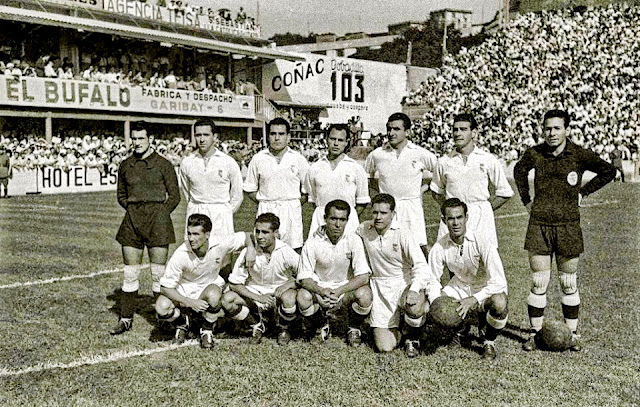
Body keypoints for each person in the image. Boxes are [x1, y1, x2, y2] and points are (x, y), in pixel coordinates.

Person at [514, 109, 616, 352]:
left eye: (556, 128)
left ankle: (572, 334)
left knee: (568, 282)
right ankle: (534, 333)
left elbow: (608, 171)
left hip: (568, 225)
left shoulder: (578, 154)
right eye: (547, 128)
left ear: (566, 130)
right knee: (539, 282)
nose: (551, 133)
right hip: (539, 224)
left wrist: (583, 192)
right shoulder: (535, 153)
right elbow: (519, 171)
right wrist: (527, 201)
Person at [111, 121, 181, 335]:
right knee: (130, 273)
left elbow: (175, 196)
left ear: (151, 140)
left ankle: (162, 319)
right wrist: (135, 210)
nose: (137, 143)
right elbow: (121, 195)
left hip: (157, 221)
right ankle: (125, 319)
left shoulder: (163, 164)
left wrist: (159, 213)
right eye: (134, 138)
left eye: (141, 138)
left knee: (158, 274)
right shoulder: (125, 164)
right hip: (132, 221)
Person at [357, 193, 439, 357]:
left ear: (393, 214)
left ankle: (413, 336)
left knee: (413, 307)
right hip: (380, 287)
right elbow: (347, 235)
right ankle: (402, 328)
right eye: (375, 212)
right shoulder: (365, 229)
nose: (378, 217)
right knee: (385, 347)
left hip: (403, 283)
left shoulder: (403, 233)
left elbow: (422, 266)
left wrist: (414, 289)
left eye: (383, 213)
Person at [155, 214, 254, 349]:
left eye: (196, 234)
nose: (191, 238)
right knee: (161, 306)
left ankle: (206, 329)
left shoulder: (220, 243)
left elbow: (247, 235)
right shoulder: (181, 254)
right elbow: (165, 288)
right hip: (185, 289)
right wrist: (189, 301)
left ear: (207, 234)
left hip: (208, 287)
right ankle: (183, 322)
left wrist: (251, 250)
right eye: (189, 233)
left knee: (214, 295)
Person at [428, 198, 509, 360]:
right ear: (444, 221)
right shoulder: (439, 246)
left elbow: (499, 281)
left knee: (499, 303)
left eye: (459, 217)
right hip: (459, 288)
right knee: (435, 303)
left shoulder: (483, 240)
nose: (456, 223)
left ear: (466, 218)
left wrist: (474, 299)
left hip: (485, 289)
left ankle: (489, 341)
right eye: (451, 218)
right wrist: (438, 306)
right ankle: (459, 330)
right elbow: (432, 280)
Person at [431, 113, 514, 248]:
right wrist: (449, 209)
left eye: (463, 129)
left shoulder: (487, 159)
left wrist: (485, 209)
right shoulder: (444, 161)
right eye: (455, 129)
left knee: (482, 260)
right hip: (455, 217)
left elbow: (505, 192)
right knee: (452, 259)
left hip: (480, 216)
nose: (458, 133)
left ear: (474, 133)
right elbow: (436, 191)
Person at [297, 199, 372, 347]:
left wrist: (339, 291)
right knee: (303, 296)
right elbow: (304, 277)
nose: (338, 224)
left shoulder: (354, 240)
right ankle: (320, 325)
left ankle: (353, 327)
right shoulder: (313, 241)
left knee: (365, 295)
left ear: (347, 221)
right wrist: (320, 291)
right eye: (333, 219)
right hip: (321, 289)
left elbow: (363, 276)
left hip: (344, 289)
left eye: (342, 220)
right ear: (325, 219)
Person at [365, 112, 437, 256]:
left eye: (396, 129)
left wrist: (423, 189)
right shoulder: (377, 154)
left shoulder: (420, 153)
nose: (391, 133)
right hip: (388, 209)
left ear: (407, 132)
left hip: (411, 207)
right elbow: (367, 177)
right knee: (387, 249)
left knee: (418, 250)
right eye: (389, 129)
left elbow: (440, 173)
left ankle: (426, 278)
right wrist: (381, 191)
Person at [222, 213, 299, 345]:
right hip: (255, 291)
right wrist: (258, 297)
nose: (259, 236)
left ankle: (283, 329)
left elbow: (305, 276)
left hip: (279, 292)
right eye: (257, 231)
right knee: (227, 300)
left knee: (290, 298)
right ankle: (256, 325)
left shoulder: (286, 251)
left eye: (265, 232)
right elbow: (235, 284)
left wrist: (287, 286)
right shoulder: (249, 252)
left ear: (275, 233)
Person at [244, 117, 309, 251]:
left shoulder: (299, 160)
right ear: (268, 136)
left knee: (292, 252)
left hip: (291, 211)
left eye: (281, 134)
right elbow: (250, 189)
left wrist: (292, 202)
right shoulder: (258, 159)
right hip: (266, 209)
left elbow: (307, 192)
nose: (277, 138)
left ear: (288, 137)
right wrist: (265, 200)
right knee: (264, 253)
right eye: (273, 134)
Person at [179, 118, 243, 237]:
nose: (202, 139)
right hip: (196, 211)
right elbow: (186, 191)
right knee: (195, 253)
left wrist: (226, 212)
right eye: (198, 135)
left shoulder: (228, 162)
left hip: (220, 215)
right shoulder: (187, 162)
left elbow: (237, 195)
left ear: (215, 137)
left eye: (206, 135)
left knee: (221, 253)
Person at [304, 124, 370, 236]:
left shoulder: (356, 168)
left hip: (347, 222)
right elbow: (313, 199)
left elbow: (362, 202)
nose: (336, 143)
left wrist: (344, 218)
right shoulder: (315, 168)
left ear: (346, 142)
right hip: (321, 221)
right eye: (332, 139)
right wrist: (326, 219)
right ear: (326, 139)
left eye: (340, 140)